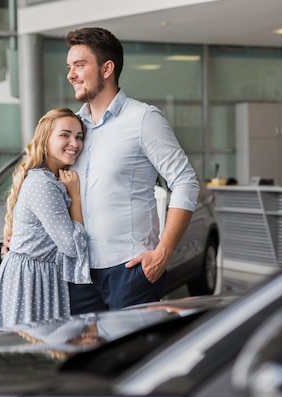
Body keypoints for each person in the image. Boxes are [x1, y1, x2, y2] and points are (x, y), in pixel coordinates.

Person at [65, 26, 201, 314]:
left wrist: (163, 251)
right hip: (79, 273)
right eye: (69, 67)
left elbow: (185, 182)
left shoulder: (143, 119)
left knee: (131, 358)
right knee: (84, 358)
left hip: (130, 271)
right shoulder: (73, 130)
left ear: (107, 68)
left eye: (79, 65)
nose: (71, 75)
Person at [0, 108, 91, 329]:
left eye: (79, 136)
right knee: (32, 352)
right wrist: (75, 195)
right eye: (64, 135)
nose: (74, 143)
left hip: (37, 276)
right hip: (31, 281)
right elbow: (71, 246)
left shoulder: (52, 179)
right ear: (45, 140)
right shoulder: (43, 184)